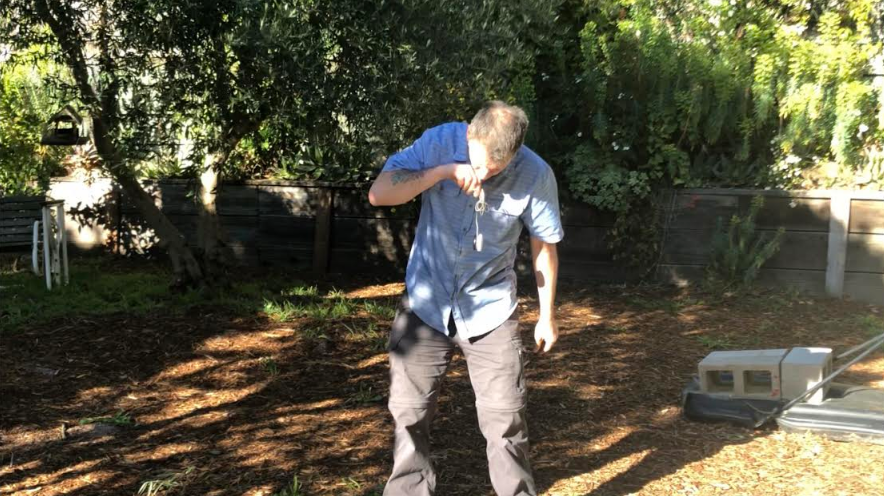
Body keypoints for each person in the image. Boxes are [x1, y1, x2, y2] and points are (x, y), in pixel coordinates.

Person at [368, 101, 563, 496]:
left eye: (498, 166)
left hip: (491, 308)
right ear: (469, 136)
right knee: (409, 413)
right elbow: (379, 194)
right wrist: (442, 172)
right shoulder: (440, 142)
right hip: (426, 303)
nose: (485, 173)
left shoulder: (536, 173)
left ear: (516, 152)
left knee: (505, 419)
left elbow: (544, 248)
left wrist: (547, 315)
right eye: (478, 162)